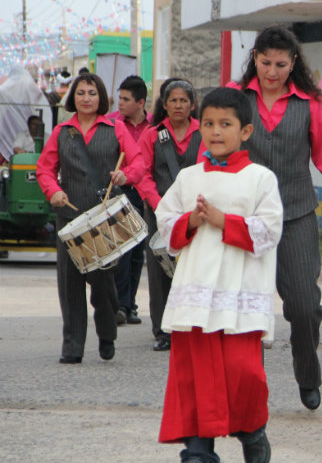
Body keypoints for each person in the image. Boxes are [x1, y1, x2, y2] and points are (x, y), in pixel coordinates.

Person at [228, 25, 322, 410]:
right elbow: (212, 152)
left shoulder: (310, 103)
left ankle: (308, 374)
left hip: (296, 214)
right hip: (244, 217)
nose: (272, 71)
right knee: (248, 307)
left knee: (302, 307)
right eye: (265, 62)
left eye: (281, 64)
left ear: (294, 63)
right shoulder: (234, 98)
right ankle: (252, 388)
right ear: (255, 58)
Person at [156, 87, 281, 463]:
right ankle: (197, 449)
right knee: (194, 375)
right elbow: (165, 222)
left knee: (243, 373)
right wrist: (190, 221)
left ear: (245, 131)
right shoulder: (188, 177)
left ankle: (252, 432)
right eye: (208, 123)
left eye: (225, 124)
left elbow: (270, 229)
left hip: (239, 293)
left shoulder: (261, 178)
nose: (215, 131)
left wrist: (223, 221)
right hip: (195, 295)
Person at [36, 72, 144, 364]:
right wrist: (53, 191)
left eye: (92, 93)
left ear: (101, 98)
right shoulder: (61, 132)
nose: (86, 98)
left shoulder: (115, 128)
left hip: (104, 219)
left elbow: (138, 162)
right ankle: (72, 347)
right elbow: (45, 170)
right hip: (69, 217)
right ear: (73, 97)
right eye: (81, 93)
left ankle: (107, 333)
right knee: (69, 284)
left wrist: (126, 175)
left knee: (103, 286)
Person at [136, 78, 201, 352]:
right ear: (164, 104)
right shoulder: (153, 134)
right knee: (160, 270)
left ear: (192, 105)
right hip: (160, 212)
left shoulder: (203, 132)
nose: (178, 105)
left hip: (196, 214)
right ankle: (163, 330)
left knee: (195, 267)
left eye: (183, 100)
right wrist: (159, 203)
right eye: (173, 100)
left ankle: (193, 325)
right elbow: (142, 173)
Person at [107, 75, 152, 326]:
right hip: (119, 190)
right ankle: (120, 304)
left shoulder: (154, 127)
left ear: (140, 103)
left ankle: (131, 305)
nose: (120, 104)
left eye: (126, 99)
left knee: (137, 253)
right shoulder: (113, 124)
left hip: (144, 193)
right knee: (121, 250)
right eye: (120, 98)